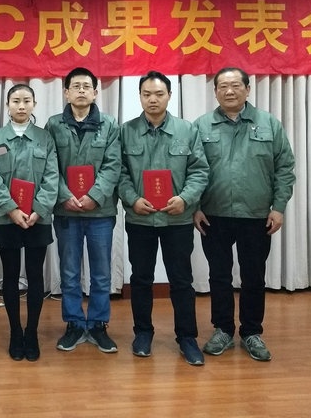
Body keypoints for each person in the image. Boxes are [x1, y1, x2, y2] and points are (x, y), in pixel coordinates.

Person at [194, 67, 296, 361]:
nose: (229, 91)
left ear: (248, 89)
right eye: (223, 86)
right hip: (214, 215)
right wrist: (195, 207)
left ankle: (251, 332)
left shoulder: (269, 124)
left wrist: (279, 207)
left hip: (256, 215)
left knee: (254, 276)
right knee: (219, 276)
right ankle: (223, 329)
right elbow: (191, 170)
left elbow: (285, 168)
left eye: (236, 85)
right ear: (215, 91)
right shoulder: (201, 126)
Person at [117, 71, 209, 365]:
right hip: (140, 219)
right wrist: (132, 199)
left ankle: (187, 337)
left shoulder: (187, 130)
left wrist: (185, 199)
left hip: (176, 220)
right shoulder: (126, 131)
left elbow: (199, 171)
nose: (153, 99)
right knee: (141, 279)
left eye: (159, 94)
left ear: (170, 95)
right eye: (146, 94)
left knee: (181, 280)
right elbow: (119, 172)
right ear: (140, 97)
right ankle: (143, 333)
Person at [44, 67, 121, 354]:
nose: (80, 91)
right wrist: (64, 196)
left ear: (95, 92)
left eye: (86, 86)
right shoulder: (53, 125)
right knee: (69, 271)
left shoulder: (109, 125)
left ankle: (98, 324)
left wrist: (94, 196)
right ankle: (75, 323)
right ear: (66, 92)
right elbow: (49, 165)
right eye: (75, 86)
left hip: (100, 212)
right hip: (66, 212)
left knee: (101, 272)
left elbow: (113, 165)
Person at [0, 84, 59, 361]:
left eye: (27, 100)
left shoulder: (45, 138)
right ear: (7, 105)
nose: (21, 106)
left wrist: (39, 209)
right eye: (16, 100)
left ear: (34, 104)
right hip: (6, 220)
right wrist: (11, 210)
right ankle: (15, 332)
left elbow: (52, 177)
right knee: (11, 276)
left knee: (36, 275)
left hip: (39, 218)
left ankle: (32, 332)